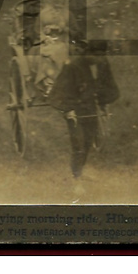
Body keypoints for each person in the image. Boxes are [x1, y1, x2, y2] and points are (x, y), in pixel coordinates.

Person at [47, 40, 120, 179]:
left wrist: (103, 104)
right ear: (88, 53)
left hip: (90, 109)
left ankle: (79, 171)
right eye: (96, 56)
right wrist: (68, 110)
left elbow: (106, 86)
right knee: (78, 144)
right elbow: (61, 91)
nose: (99, 59)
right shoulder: (72, 66)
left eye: (102, 56)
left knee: (87, 142)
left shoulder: (101, 64)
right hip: (75, 110)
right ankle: (76, 177)